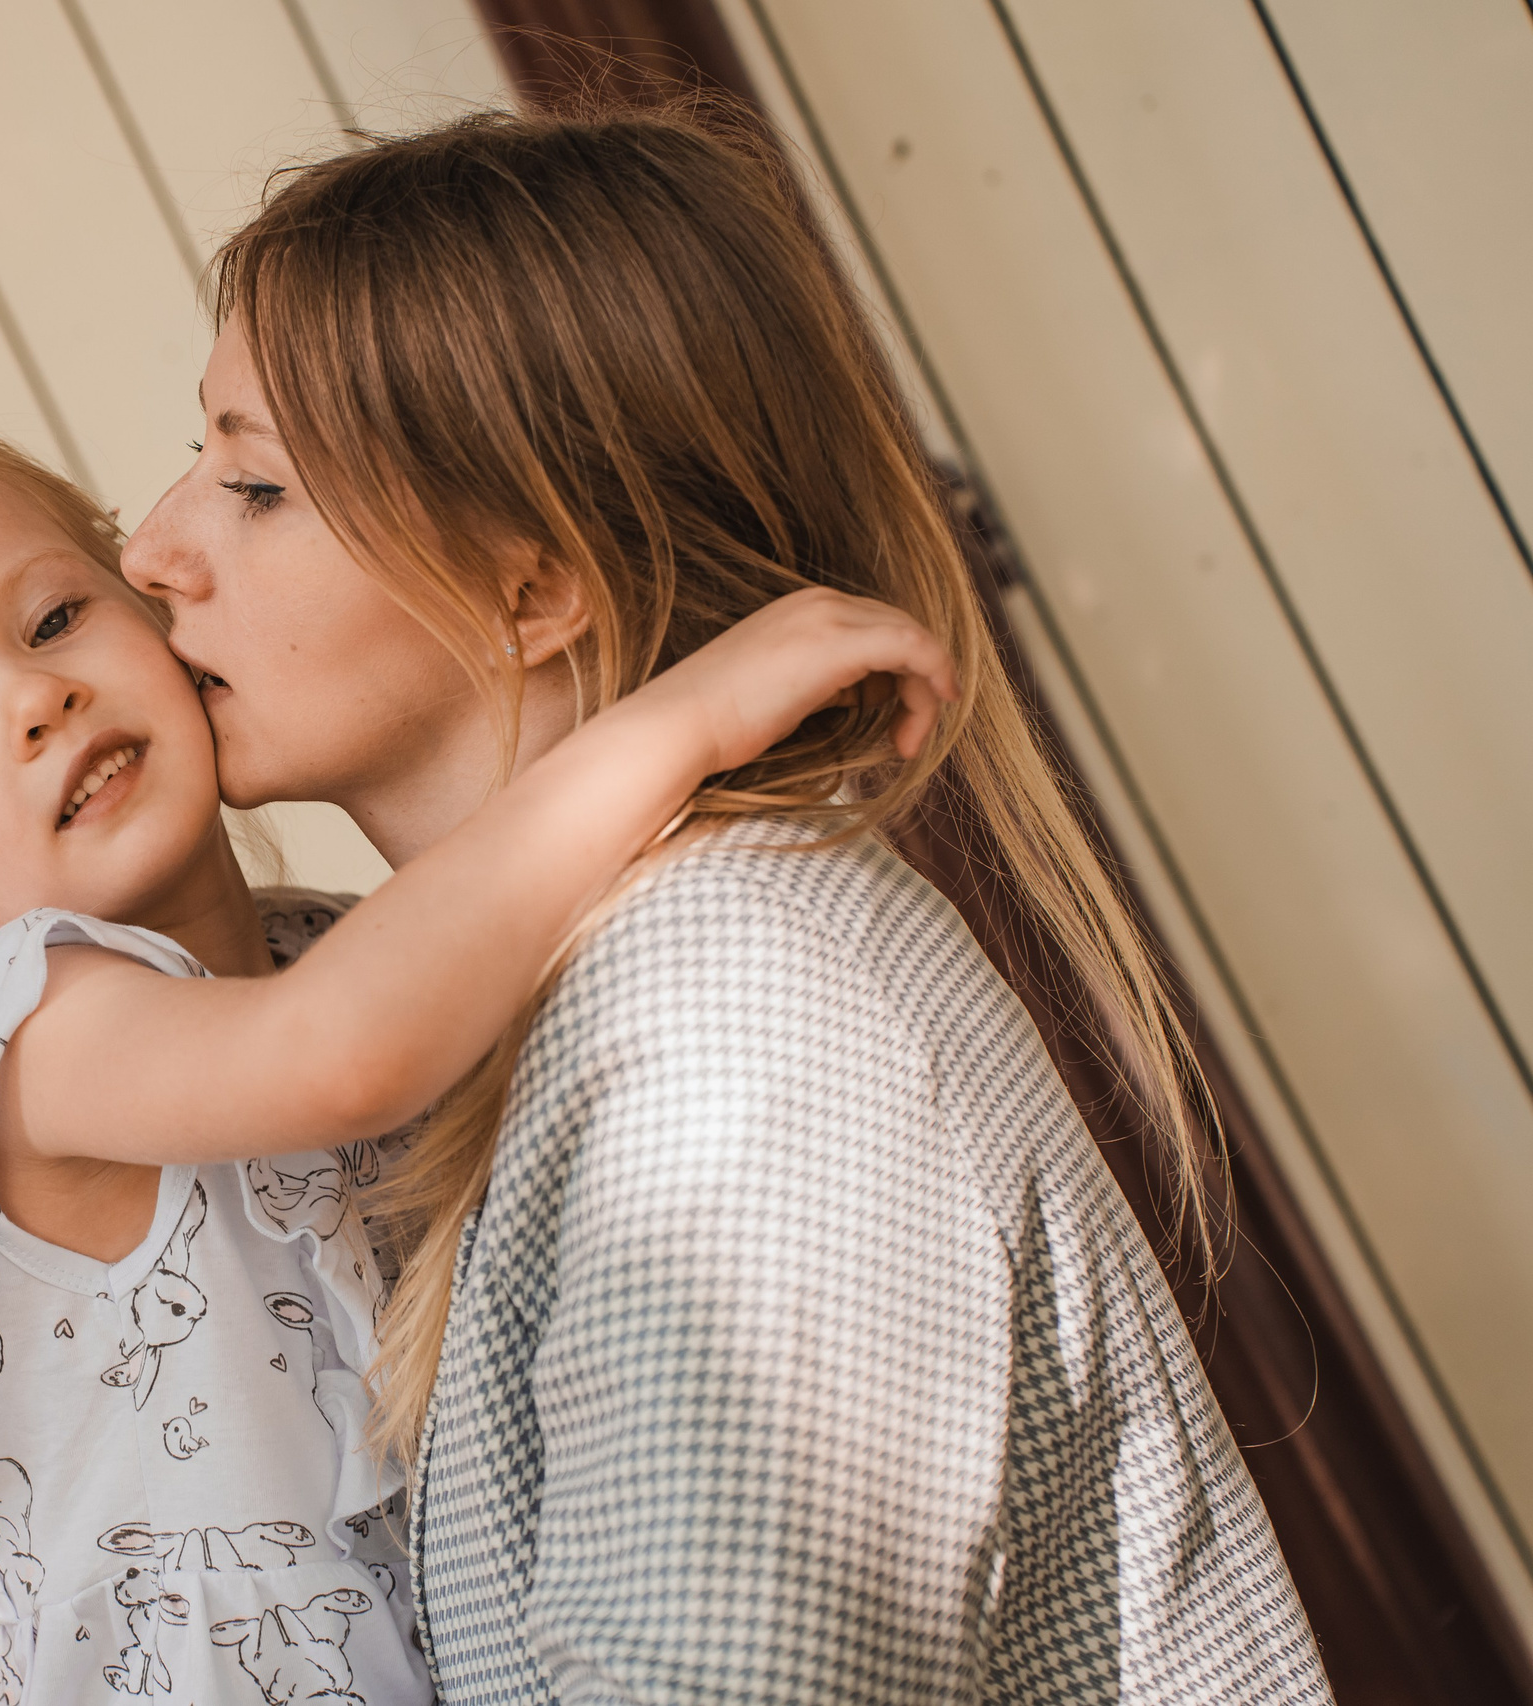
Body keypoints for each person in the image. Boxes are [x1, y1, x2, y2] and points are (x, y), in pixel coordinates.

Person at [122, 105, 1332, 1702]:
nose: (153, 550)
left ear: (533, 583)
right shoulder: (562, 1004)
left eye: (255, 487)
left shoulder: (728, 1026)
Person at [0, 425, 956, 1705]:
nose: (33, 696)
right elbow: (341, 1054)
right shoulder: (23, 1036)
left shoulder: (335, 946)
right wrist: (687, 717)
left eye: (57, 617)